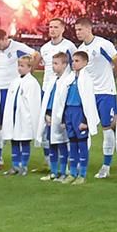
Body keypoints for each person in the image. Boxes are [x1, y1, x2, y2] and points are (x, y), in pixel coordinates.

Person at [72, 19, 117, 180]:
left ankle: (106, 166)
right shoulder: (81, 49)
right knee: (84, 127)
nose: (77, 32)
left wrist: (111, 80)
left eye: (80, 29)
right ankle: (81, 162)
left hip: (106, 92)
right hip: (89, 94)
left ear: (88, 28)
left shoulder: (102, 44)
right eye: (76, 30)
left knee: (107, 128)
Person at [0, 28, 36, 168]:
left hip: (13, 91)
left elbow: (35, 55)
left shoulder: (18, 48)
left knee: (16, 125)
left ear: (5, 38)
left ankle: (21, 161)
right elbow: (0, 63)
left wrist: (29, 73)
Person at [2, 53, 43, 176]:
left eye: (23, 66)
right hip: (14, 116)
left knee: (24, 141)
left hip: (25, 118)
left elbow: (35, 105)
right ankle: (15, 165)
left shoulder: (32, 83)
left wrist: (33, 121)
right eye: (19, 65)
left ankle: (23, 166)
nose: (20, 68)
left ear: (29, 67)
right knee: (14, 140)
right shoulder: (15, 81)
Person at [61, 50, 91, 184]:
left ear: (85, 63)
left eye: (77, 61)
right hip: (69, 112)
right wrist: (63, 117)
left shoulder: (87, 79)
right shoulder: (70, 78)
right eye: (73, 61)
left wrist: (86, 120)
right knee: (72, 143)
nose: (74, 63)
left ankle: (82, 174)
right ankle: (72, 173)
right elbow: (62, 99)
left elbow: (89, 100)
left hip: (79, 113)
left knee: (82, 144)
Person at [42, 51, 72, 180]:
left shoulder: (68, 81)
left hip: (61, 119)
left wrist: (64, 118)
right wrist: (47, 114)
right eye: (52, 63)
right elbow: (49, 99)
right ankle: (54, 171)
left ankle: (63, 171)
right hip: (51, 118)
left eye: (56, 63)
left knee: (62, 144)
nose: (53, 66)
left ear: (65, 65)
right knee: (52, 144)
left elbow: (65, 101)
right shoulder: (53, 80)